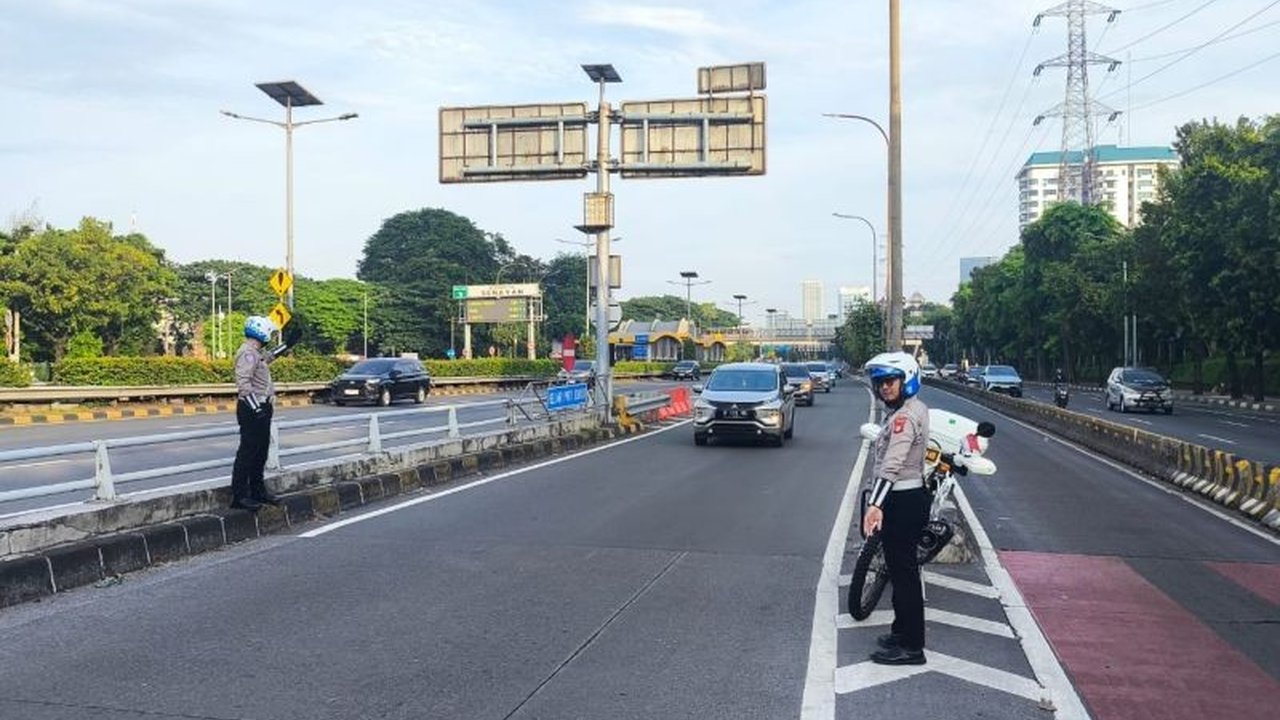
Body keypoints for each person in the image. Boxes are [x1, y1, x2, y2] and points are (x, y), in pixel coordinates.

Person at [862, 351, 930, 665]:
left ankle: (913, 647)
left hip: (902, 499)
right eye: (880, 383)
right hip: (904, 498)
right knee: (899, 571)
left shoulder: (905, 416)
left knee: (904, 576)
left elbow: (893, 464)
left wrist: (875, 504)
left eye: (890, 381)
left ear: (908, 380)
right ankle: (901, 632)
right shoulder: (907, 409)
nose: (884, 388)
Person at [230, 315, 284, 510]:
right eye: (269, 332)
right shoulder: (247, 354)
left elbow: (267, 359)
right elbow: (243, 385)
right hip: (253, 408)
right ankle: (240, 496)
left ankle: (258, 491)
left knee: (261, 452)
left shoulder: (255, 352)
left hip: (261, 407)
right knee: (248, 452)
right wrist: (257, 409)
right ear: (261, 332)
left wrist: (287, 346)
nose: (270, 335)